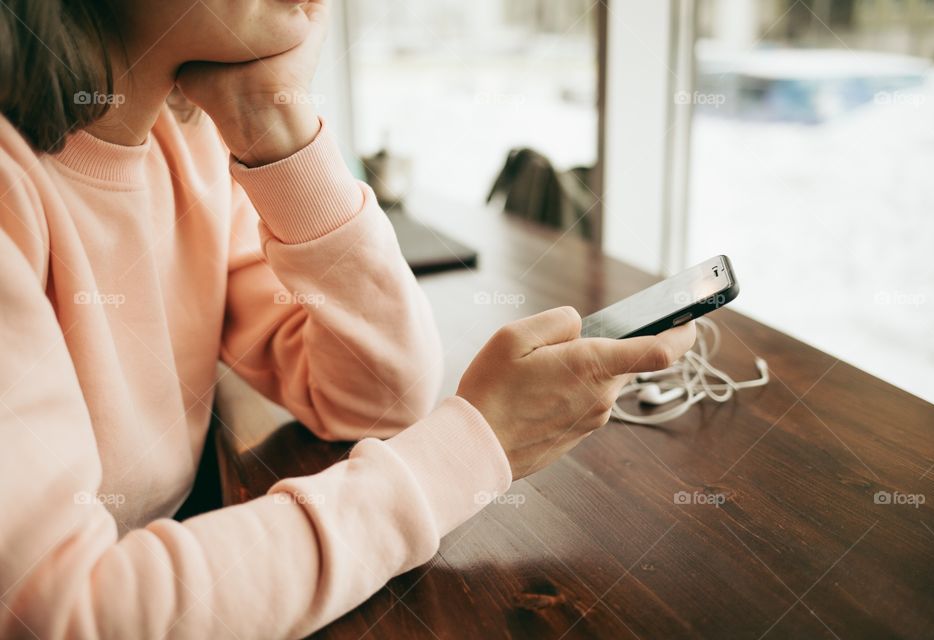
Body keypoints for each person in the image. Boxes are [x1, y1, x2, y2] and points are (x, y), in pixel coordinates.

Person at [0, 1, 696, 637]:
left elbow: (371, 396)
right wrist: (472, 451)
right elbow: (61, 616)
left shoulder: (186, 149)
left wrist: (273, 122)